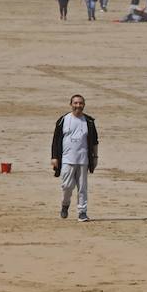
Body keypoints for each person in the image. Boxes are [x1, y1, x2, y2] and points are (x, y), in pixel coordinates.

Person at [50, 94, 99, 222]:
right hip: (67, 158)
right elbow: (56, 140)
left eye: (80, 103)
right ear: (71, 104)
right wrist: (54, 157)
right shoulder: (63, 120)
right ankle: (65, 205)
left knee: (82, 187)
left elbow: (94, 141)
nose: (78, 106)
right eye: (75, 103)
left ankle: (82, 212)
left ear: (84, 105)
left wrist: (95, 157)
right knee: (67, 186)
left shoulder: (89, 121)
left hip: (83, 159)